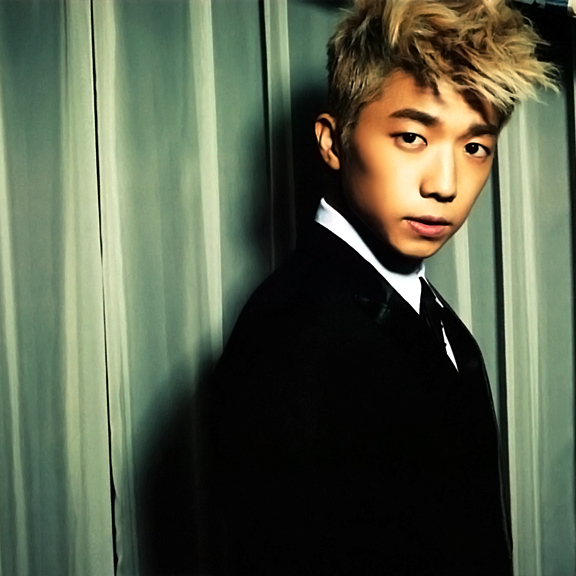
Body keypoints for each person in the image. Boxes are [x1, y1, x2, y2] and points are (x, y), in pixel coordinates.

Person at [208, 1, 556, 574]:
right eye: (412, 137)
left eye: (474, 147)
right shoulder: (293, 335)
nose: (445, 185)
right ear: (332, 141)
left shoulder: (424, 313)